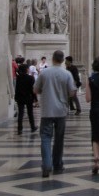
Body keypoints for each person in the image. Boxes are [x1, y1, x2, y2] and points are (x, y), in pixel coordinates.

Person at [33, 49, 76, 178]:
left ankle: (46, 165)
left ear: (52, 59)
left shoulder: (44, 73)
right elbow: (72, 92)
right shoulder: (67, 74)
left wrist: (45, 92)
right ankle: (57, 164)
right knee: (59, 139)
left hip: (47, 110)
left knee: (45, 138)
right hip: (61, 111)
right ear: (63, 60)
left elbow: (35, 89)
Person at [15, 63, 38, 134]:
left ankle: (19, 128)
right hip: (28, 97)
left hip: (20, 97)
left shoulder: (18, 78)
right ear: (27, 69)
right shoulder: (30, 78)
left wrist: (16, 97)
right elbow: (32, 89)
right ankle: (32, 126)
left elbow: (17, 88)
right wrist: (35, 99)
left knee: (21, 113)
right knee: (30, 113)